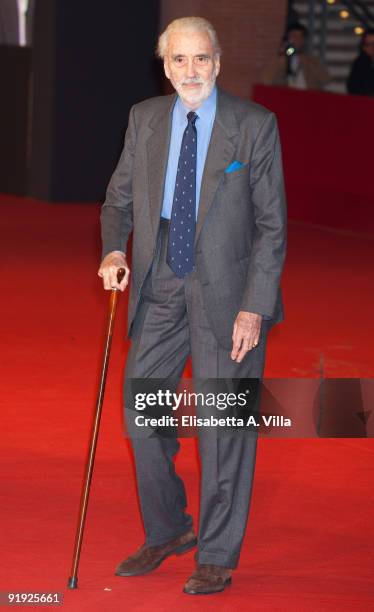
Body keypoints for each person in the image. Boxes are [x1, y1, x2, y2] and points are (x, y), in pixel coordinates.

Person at [98, 16, 286, 596]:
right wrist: (112, 250)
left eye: (199, 59)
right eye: (177, 61)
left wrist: (255, 307)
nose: (189, 71)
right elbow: (119, 200)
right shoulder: (145, 119)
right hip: (160, 289)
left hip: (229, 300)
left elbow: (270, 226)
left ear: (218, 62)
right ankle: (169, 529)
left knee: (222, 427)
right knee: (143, 416)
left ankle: (217, 553)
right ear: (165, 65)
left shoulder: (254, 126)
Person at [260, 22, 330, 90]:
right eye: (293, 36)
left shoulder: (311, 60)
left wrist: (307, 63)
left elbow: (326, 80)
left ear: (304, 40)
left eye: (300, 37)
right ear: (288, 39)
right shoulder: (280, 60)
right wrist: (284, 57)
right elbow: (266, 80)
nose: (297, 39)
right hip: (285, 97)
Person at [347, 28, 374, 96]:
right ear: (364, 47)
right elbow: (353, 87)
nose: (372, 47)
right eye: (368, 44)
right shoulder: (359, 63)